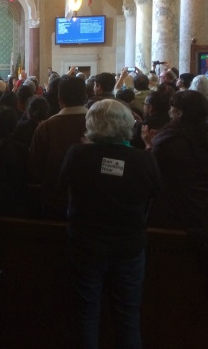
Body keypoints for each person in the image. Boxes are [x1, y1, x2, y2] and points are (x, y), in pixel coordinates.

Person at [61, 99, 160, 349]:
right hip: (128, 247)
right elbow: (156, 194)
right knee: (128, 319)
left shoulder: (77, 154)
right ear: (128, 126)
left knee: (87, 315)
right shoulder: (143, 160)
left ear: (91, 125)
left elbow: (61, 185)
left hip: (86, 245)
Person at [142, 89, 208, 229]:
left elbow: (154, 173)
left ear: (179, 112)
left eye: (173, 108)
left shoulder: (168, 140)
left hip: (173, 209)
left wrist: (149, 146)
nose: (170, 111)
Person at [30, 75, 88, 219]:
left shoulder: (46, 127)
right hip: (91, 202)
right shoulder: (101, 125)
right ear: (86, 97)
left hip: (54, 200)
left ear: (59, 99)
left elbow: (34, 166)